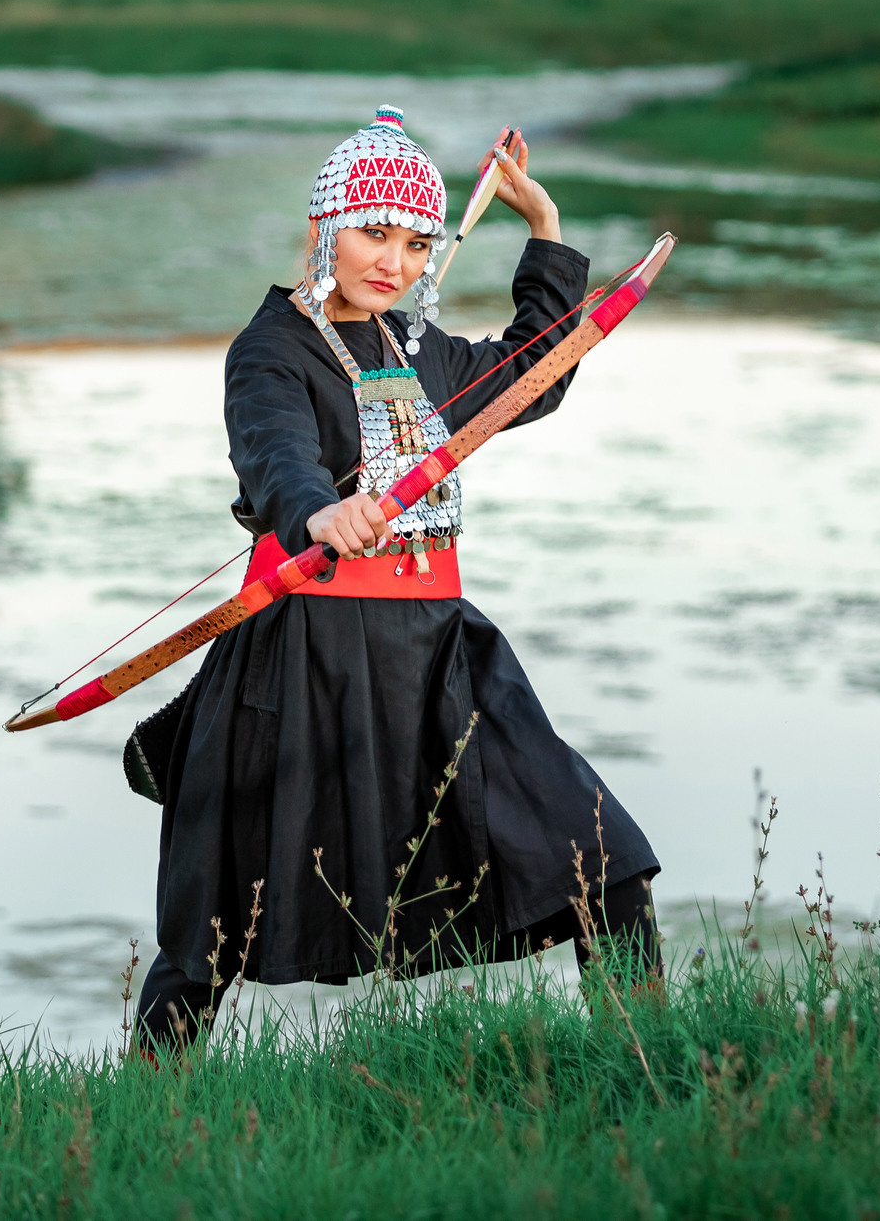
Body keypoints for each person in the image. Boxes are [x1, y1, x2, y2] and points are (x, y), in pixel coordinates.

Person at [128, 105, 660, 1050]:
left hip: (438, 657)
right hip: (304, 668)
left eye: (418, 243)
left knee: (599, 860)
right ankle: (143, 1110)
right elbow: (274, 450)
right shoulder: (270, 347)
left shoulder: (416, 348)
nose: (398, 262)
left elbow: (532, 374)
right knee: (210, 929)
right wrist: (316, 511)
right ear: (325, 226)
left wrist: (543, 231)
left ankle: (653, 1064)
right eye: (376, 233)